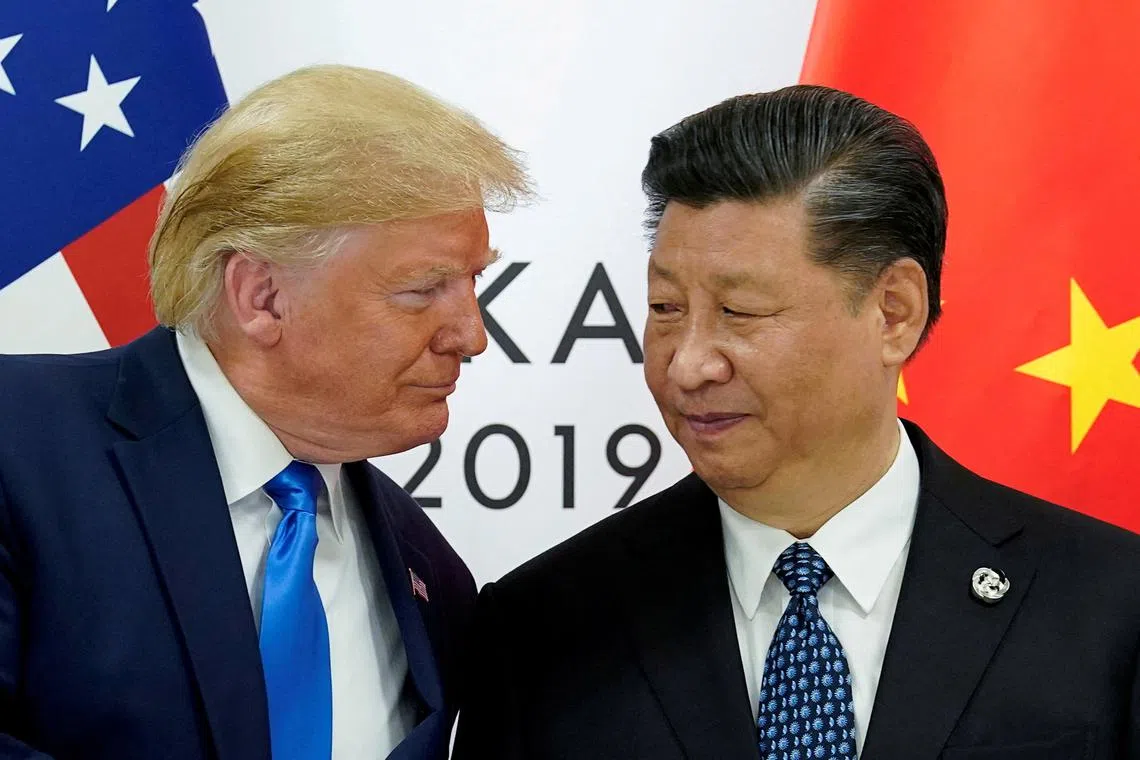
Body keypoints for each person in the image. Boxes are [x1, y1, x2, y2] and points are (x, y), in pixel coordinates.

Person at [453, 85, 1140, 759]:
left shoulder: (1110, 607)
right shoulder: (544, 627)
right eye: (665, 309)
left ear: (893, 312)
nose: (687, 366)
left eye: (740, 312)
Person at [0, 64, 530, 760]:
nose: (472, 334)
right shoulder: (18, 445)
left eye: (472, 283)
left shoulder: (431, 570)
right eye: (424, 289)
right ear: (262, 296)